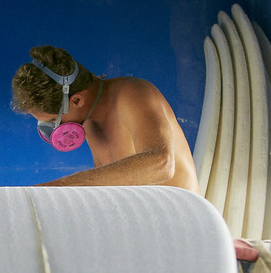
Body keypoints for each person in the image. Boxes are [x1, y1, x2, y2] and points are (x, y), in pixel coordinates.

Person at [12, 45, 200, 192]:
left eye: (54, 121)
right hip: (147, 226)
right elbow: (107, 188)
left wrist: (60, 187)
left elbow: (161, 163)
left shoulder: (133, 94)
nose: (54, 129)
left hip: (183, 224)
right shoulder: (90, 124)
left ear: (76, 100)